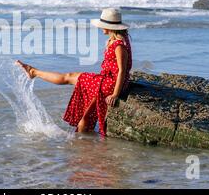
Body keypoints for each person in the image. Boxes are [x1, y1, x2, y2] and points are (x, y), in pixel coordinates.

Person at [17, 8, 132, 136]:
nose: (100, 28)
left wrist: (115, 95)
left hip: (109, 84)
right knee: (72, 80)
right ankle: (34, 72)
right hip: (107, 81)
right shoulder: (116, 41)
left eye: (103, 25)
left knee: (69, 78)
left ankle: (34, 72)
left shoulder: (119, 45)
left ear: (111, 27)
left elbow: (122, 70)